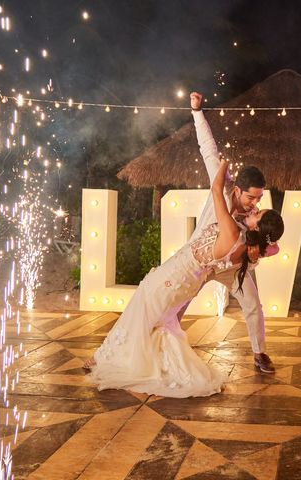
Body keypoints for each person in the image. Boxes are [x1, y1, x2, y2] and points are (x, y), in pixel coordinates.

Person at [84, 157, 284, 398]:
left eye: (258, 210)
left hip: (179, 274)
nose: (254, 207)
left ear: (257, 228)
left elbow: (216, 191)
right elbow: (271, 247)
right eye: (255, 202)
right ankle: (123, 357)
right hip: (186, 277)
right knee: (153, 316)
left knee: (144, 309)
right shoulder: (243, 239)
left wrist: (222, 168)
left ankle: (110, 360)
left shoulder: (232, 231)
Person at [177, 92, 278, 373]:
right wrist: (197, 112)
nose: (255, 204)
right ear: (237, 190)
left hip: (231, 267)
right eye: (251, 198)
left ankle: (260, 354)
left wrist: (259, 251)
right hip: (201, 260)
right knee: (179, 302)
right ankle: (163, 345)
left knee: (253, 303)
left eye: (259, 199)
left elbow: (260, 250)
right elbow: (209, 150)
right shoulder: (222, 187)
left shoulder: (253, 217)